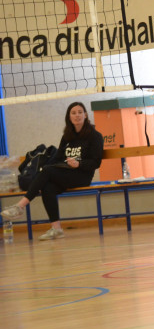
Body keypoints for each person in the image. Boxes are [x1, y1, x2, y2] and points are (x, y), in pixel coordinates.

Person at [1, 102, 103, 240]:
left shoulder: (94, 136)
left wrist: (78, 163)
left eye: (80, 112)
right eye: (73, 113)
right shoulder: (67, 136)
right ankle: (56, 229)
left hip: (82, 175)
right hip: (66, 173)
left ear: (85, 115)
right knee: (47, 186)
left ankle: (20, 206)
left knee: (48, 171)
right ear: (69, 117)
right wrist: (43, 171)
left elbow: (96, 162)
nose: (77, 115)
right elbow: (57, 158)